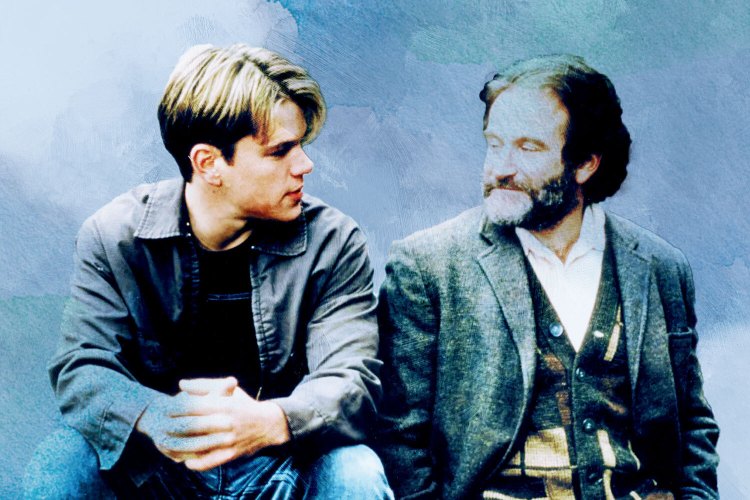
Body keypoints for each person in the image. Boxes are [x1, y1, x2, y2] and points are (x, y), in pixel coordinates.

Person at [25, 43, 392, 499]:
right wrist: (158, 417)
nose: (304, 165)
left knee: (355, 469)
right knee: (62, 461)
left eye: (300, 145)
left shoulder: (332, 242)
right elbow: (82, 367)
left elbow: (353, 380)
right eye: (280, 151)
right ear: (208, 163)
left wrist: (270, 421)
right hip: (159, 472)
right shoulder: (115, 237)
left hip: (282, 467)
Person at [377, 55, 719, 499]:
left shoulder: (659, 267)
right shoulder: (428, 267)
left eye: (528, 148)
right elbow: (399, 437)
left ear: (586, 163)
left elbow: (691, 424)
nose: (500, 167)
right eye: (494, 143)